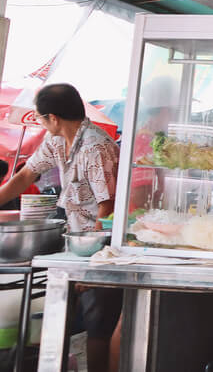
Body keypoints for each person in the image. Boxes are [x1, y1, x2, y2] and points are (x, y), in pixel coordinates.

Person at [0, 84, 121, 372]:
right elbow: (27, 174)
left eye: (41, 118)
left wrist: (92, 262)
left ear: (53, 118)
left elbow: (108, 207)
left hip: (100, 249)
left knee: (97, 326)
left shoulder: (96, 146)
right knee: (64, 321)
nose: (41, 123)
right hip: (74, 246)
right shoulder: (57, 142)